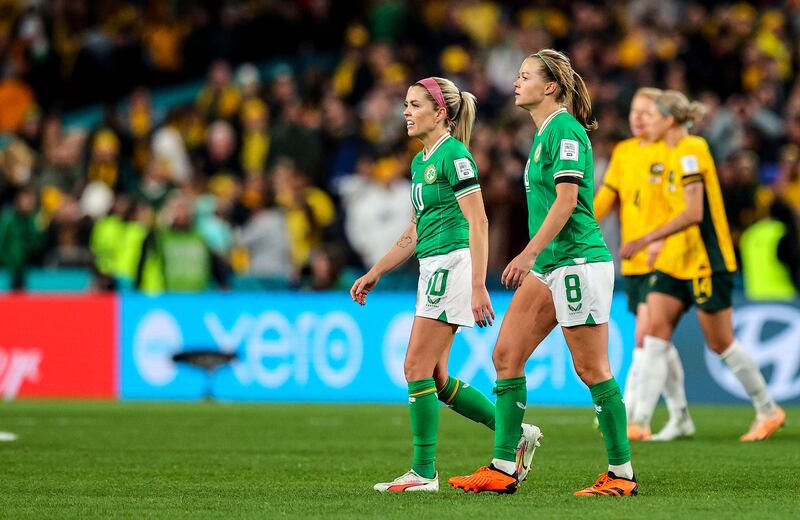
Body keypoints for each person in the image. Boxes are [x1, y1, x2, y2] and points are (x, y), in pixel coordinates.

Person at [449, 49, 638, 496]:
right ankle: (501, 466)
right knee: (505, 355)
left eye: (525, 75)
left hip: (576, 262)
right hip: (552, 264)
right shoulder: (543, 136)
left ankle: (621, 474)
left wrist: (528, 254)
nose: (516, 82)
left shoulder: (565, 130)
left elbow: (567, 201)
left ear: (550, 86)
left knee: (591, 369)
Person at [350, 76, 541, 493]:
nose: (406, 112)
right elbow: (416, 231)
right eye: (405, 104)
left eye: (415, 105)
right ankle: (516, 431)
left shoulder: (455, 157)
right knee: (435, 378)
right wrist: (377, 270)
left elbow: (479, 221)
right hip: (431, 266)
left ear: (440, 113)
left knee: (414, 368)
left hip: (451, 268)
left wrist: (477, 285)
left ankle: (423, 472)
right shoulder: (422, 162)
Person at [620, 90, 786, 441]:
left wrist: (647, 239)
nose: (643, 121)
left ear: (669, 120)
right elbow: (673, 210)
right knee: (654, 334)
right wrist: (661, 244)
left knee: (721, 343)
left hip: (705, 261)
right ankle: (641, 422)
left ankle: (768, 410)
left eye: (650, 115)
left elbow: (694, 212)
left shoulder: (692, 150)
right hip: (673, 261)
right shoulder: (665, 154)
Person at [593, 87, 694, 441]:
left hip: (664, 255)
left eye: (646, 111)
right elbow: (608, 195)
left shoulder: (671, 152)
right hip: (633, 258)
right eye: (634, 111)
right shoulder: (623, 152)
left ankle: (636, 413)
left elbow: (681, 206)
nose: (637, 117)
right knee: (657, 340)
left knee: (646, 336)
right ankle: (680, 414)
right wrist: (582, 220)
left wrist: (662, 240)